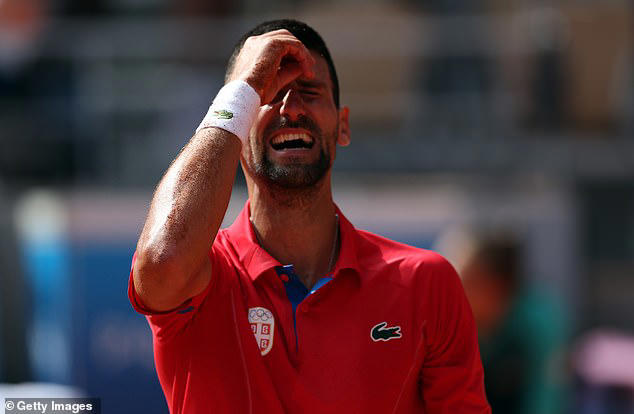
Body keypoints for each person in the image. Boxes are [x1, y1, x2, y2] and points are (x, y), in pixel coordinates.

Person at [128, 19, 490, 413]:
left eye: (310, 92)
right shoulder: (202, 279)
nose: (292, 108)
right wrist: (241, 89)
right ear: (235, 119)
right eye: (266, 93)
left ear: (343, 125)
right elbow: (162, 259)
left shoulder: (425, 283)